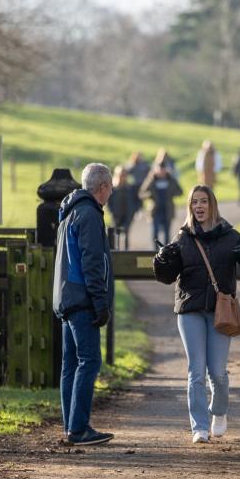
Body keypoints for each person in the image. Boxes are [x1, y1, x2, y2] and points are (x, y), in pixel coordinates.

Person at [152, 185, 240, 443]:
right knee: (196, 372)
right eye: (194, 202)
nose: (198, 207)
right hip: (190, 310)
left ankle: (219, 411)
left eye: (203, 201)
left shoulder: (230, 235)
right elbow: (166, 278)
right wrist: (160, 260)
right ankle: (199, 427)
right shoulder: (182, 238)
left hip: (219, 312)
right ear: (189, 207)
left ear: (212, 205)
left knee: (217, 372)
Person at [53, 163, 116, 446]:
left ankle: (71, 425)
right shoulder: (89, 214)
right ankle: (78, 428)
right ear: (102, 187)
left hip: (65, 297)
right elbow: (92, 262)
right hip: (82, 299)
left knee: (70, 365)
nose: (111, 191)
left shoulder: (69, 213)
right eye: (110, 187)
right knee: (89, 361)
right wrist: (101, 302)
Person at [140, 160, 183, 247]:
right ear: (156, 170)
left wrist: (172, 193)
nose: (162, 172)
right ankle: (155, 251)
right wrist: (150, 195)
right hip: (155, 211)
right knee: (155, 233)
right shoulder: (151, 180)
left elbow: (180, 192)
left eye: (163, 170)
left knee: (167, 234)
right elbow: (141, 193)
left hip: (167, 211)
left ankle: (166, 252)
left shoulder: (171, 180)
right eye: (160, 170)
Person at [108, 164, 135, 248]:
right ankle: (115, 252)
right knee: (115, 235)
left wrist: (133, 211)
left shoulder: (130, 188)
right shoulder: (113, 189)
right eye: (121, 175)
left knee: (126, 234)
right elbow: (109, 202)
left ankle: (126, 252)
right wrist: (112, 211)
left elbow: (134, 201)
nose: (122, 177)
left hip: (127, 215)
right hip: (116, 215)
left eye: (124, 175)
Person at [127, 151, 151, 218]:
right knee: (134, 198)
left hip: (142, 184)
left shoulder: (144, 164)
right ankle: (136, 211)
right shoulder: (133, 164)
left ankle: (140, 210)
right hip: (134, 184)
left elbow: (149, 172)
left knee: (140, 198)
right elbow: (128, 171)